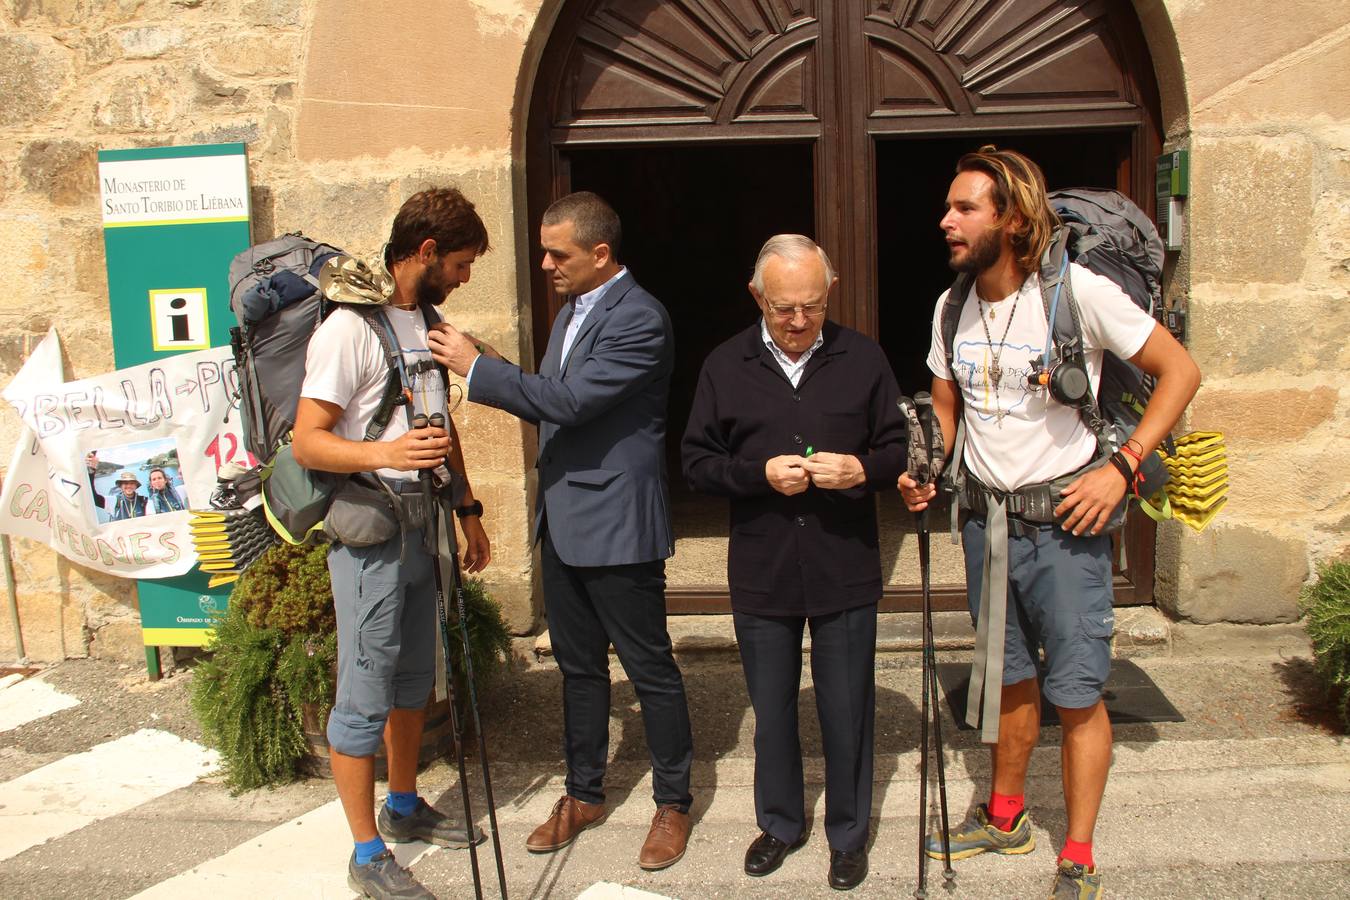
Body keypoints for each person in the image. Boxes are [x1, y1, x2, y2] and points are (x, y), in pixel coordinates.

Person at [898, 146, 1201, 899]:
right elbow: (946, 402)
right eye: (949, 207)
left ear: (1012, 216)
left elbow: (1181, 371)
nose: (947, 221)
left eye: (965, 208)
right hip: (985, 523)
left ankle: (1078, 852)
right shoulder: (951, 306)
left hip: (1064, 527)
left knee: (1076, 693)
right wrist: (929, 467)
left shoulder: (1077, 293)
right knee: (1006, 680)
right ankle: (1006, 818)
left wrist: (1123, 465)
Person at [428, 191, 695, 871]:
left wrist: (477, 369)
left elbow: (572, 403)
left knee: (649, 669)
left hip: (618, 526)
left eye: (558, 253)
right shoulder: (575, 309)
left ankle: (674, 802)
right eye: (544, 250)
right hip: (566, 521)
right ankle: (584, 794)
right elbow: (555, 392)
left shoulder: (640, 317)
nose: (545, 263)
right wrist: (492, 363)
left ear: (601, 254)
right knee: (579, 670)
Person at [681, 235, 906, 891]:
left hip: (844, 565)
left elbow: (900, 447)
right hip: (764, 568)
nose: (800, 321)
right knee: (772, 711)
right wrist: (757, 474)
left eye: (810, 305)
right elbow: (696, 463)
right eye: (784, 309)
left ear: (827, 294)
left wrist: (859, 467)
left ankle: (847, 833)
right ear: (758, 297)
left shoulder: (862, 358)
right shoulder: (726, 364)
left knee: (846, 709)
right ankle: (780, 824)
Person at [292, 187, 493, 900]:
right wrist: (389, 455)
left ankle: (403, 806)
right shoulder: (349, 331)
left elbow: (441, 427)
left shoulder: (430, 324)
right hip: (372, 532)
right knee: (365, 691)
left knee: (415, 678)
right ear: (428, 252)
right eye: (463, 263)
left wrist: (467, 507)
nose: (467, 278)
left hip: (427, 525)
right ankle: (365, 851)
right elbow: (308, 440)